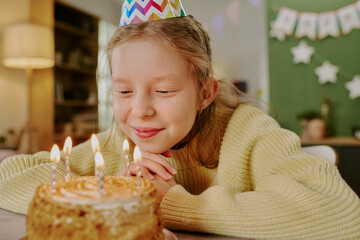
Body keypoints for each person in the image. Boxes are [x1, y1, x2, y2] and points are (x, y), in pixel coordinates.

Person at [1, 1, 360, 239]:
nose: (140, 111)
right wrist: (117, 194)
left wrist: (172, 202)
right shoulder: (117, 140)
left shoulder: (249, 132)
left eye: (164, 91)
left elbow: (339, 209)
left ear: (205, 92)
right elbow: (9, 175)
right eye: (124, 92)